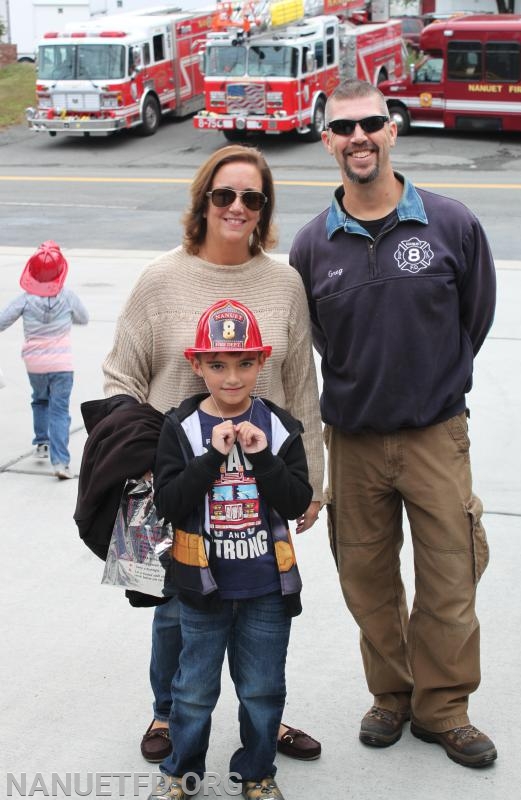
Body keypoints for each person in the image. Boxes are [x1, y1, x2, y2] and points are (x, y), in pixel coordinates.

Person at [289, 79, 497, 768]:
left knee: (449, 576)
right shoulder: (312, 246)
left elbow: (474, 318)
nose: (358, 138)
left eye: (370, 124)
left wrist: (430, 381)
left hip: (435, 434)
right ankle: (391, 695)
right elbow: (319, 338)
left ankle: (443, 708)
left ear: (392, 129)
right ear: (325, 141)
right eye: (343, 128)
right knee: (367, 580)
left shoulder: (450, 223)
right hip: (354, 442)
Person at [102, 145, 324, 764]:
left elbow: (302, 383)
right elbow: (121, 376)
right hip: (182, 484)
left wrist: (316, 480)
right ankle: (168, 715)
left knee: (262, 608)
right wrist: (152, 465)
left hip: (262, 488)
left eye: (251, 197)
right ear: (202, 200)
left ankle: (264, 724)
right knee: (179, 608)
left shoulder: (284, 283)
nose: (237, 206)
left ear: (264, 209)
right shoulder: (160, 280)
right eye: (224, 194)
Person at [151, 298, 312, 800]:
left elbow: (296, 498)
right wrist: (209, 459)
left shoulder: (280, 426)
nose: (232, 377)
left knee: (263, 690)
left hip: (266, 585)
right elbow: (172, 505)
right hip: (202, 587)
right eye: (217, 364)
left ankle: (258, 773)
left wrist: (262, 457)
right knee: (193, 691)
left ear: (262, 363)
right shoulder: (181, 427)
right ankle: (182, 773)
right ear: (196, 364)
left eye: (244, 363)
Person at [0, 240, 89, 479]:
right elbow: (84, 318)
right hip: (62, 364)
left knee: (40, 400)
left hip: (35, 364)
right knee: (59, 411)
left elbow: (2, 321)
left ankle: (42, 442)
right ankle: (60, 462)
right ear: (61, 271)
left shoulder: (25, 299)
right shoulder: (68, 296)